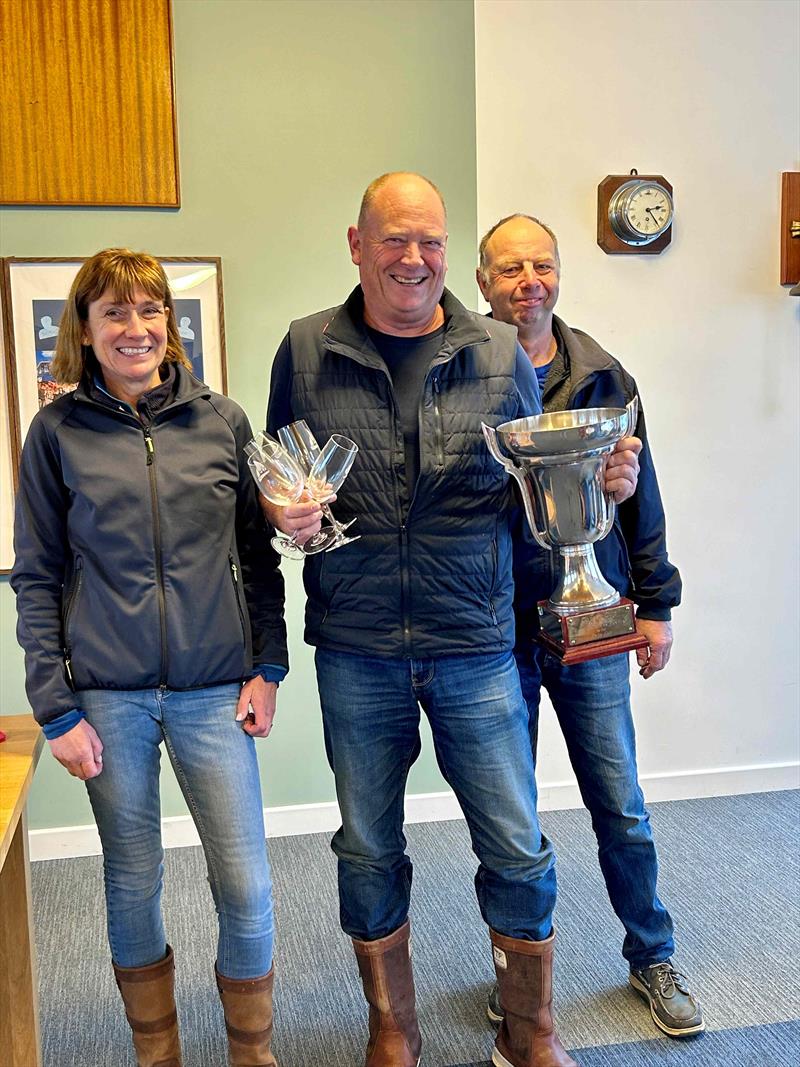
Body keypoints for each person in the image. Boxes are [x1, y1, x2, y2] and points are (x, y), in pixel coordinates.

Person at [263, 173, 639, 1067]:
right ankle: (393, 1025)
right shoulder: (304, 348)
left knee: (515, 840)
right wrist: (283, 508)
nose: (414, 258)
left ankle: (529, 1027)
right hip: (357, 647)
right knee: (366, 844)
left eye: (430, 240)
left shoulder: (502, 352)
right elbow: (279, 471)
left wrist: (601, 493)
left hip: (476, 643)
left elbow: (534, 495)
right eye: (394, 239)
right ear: (357, 245)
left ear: (447, 253)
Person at [11, 249, 288, 1067]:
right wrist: (55, 708)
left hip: (215, 691)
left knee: (247, 883)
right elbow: (36, 576)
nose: (136, 328)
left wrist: (266, 667)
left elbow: (259, 554)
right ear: (86, 331)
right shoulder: (56, 432)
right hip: (108, 698)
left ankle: (252, 1053)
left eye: (150, 310)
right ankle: (156, 1055)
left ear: (169, 322)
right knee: (132, 880)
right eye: (115, 313)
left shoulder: (223, 421)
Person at [477, 213, 703, 1038]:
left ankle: (652, 953)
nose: (527, 279)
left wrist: (657, 607)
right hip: (496, 630)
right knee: (509, 815)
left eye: (541, 263)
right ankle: (518, 976)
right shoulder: (464, 376)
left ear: (559, 275)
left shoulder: (608, 376)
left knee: (621, 800)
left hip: (594, 617)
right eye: (509, 268)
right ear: (483, 285)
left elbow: (645, 501)